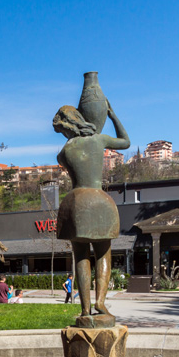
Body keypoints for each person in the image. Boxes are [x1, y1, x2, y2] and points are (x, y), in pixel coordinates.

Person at [53, 99, 130, 320]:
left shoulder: (64, 152)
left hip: (75, 202)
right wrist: (112, 115)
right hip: (98, 199)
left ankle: (85, 308)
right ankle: (101, 302)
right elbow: (126, 142)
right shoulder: (99, 140)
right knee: (103, 252)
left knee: (80, 255)